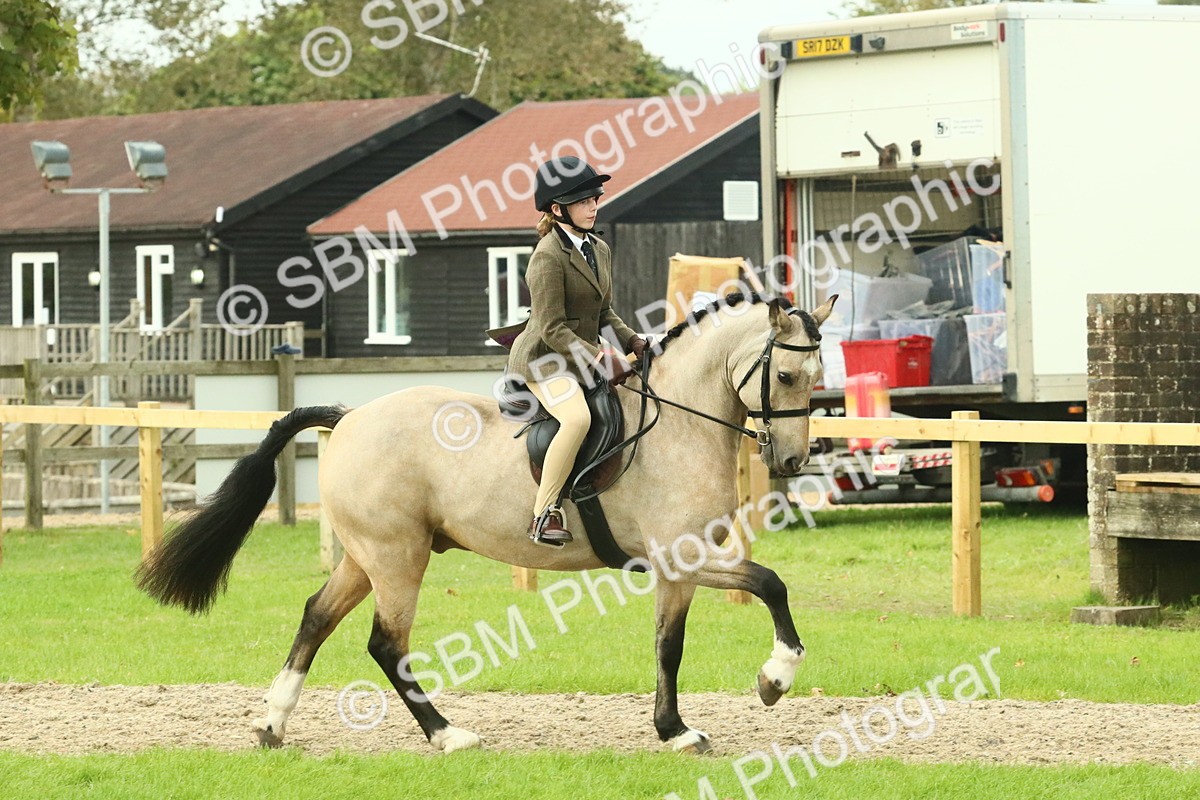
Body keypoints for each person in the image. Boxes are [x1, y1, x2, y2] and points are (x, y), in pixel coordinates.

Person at [504, 156, 647, 546]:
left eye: (595, 199)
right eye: (583, 201)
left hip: (580, 357)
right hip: (544, 361)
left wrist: (634, 340)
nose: (593, 206)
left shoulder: (599, 248)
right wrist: (601, 356)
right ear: (557, 209)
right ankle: (544, 513)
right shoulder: (547, 257)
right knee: (577, 420)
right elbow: (551, 327)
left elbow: (603, 312)